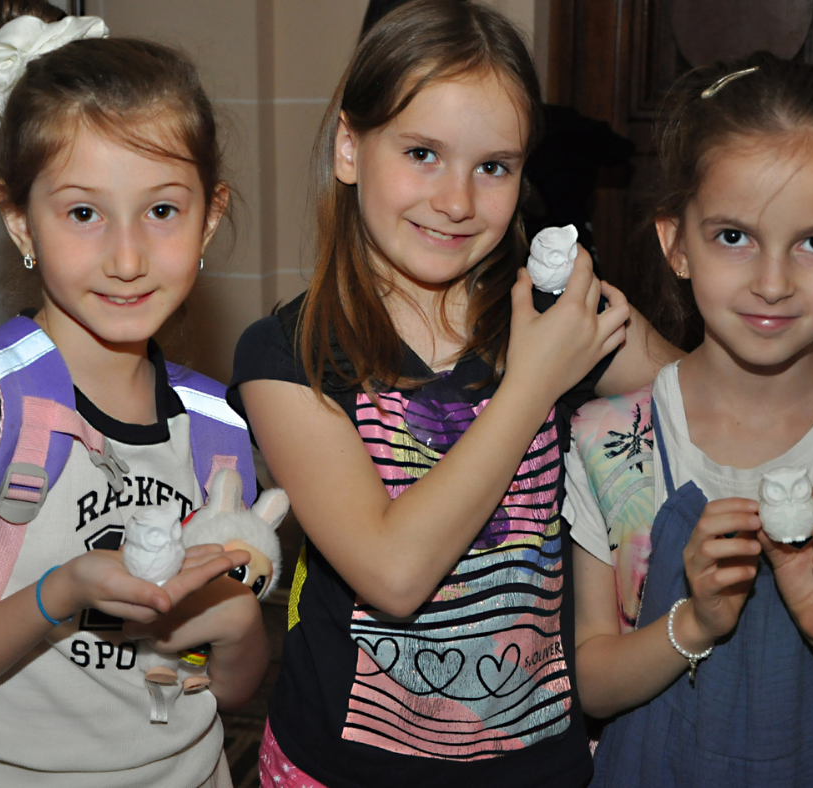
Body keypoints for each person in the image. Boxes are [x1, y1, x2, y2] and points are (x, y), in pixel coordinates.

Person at [227, 1, 699, 785]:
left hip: (535, 766)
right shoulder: (288, 353)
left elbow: (715, 394)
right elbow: (394, 573)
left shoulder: (554, 315)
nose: (457, 201)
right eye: (422, 153)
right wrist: (535, 382)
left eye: (494, 167)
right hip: (340, 770)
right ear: (349, 147)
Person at [0, 2, 269, 786]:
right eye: (84, 212)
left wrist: (238, 627)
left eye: (162, 210)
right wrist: (60, 593)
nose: (127, 257)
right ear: (22, 223)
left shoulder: (221, 427)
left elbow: (227, 690)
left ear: (208, 219)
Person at [567, 51, 813, 787]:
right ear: (676, 244)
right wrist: (695, 622)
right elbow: (592, 683)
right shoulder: (606, 443)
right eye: (733, 236)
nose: (772, 283)